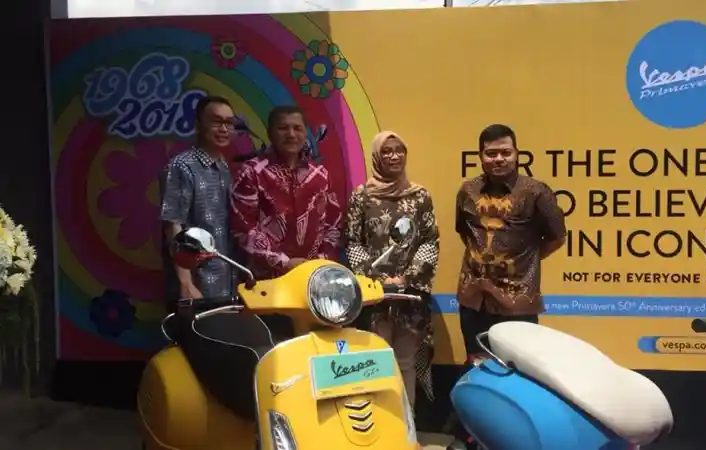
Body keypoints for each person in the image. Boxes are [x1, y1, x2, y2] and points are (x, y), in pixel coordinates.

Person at [446, 124, 566, 449]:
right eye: (491, 153)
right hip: (473, 298)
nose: (498, 159)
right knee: (476, 367)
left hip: (518, 300)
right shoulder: (467, 191)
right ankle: (473, 437)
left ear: (516, 154)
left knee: (520, 373)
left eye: (505, 152)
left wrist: (521, 261)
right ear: (480, 156)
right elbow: (465, 233)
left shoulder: (536, 192)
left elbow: (557, 237)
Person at [344, 131, 440, 408]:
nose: (394, 156)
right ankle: (379, 425)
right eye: (386, 151)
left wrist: (407, 277)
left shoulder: (420, 196)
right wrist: (376, 278)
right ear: (376, 156)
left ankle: (406, 426)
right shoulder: (362, 196)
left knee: (405, 362)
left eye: (399, 150)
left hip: (409, 293)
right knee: (376, 361)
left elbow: (429, 240)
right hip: (375, 294)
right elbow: (352, 241)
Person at [230, 104, 342, 279]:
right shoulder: (252, 172)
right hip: (266, 278)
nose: (291, 134)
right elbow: (243, 228)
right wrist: (283, 262)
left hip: (313, 276)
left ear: (305, 133)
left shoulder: (320, 175)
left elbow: (333, 225)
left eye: (297, 128)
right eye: (283, 128)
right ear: (270, 133)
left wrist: (320, 261)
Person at [160, 95, 236, 308]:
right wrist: (185, 283)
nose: (224, 129)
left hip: (226, 281)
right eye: (216, 121)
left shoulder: (223, 166)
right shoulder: (181, 166)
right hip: (197, 284)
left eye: (229, 123)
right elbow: (173, 225)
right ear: (198, 125)